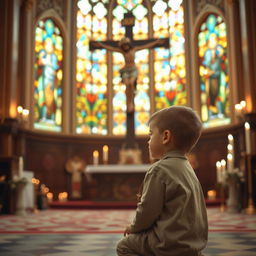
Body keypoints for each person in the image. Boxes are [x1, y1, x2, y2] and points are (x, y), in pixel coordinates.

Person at [116, 106, 208, 256]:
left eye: (151, 135)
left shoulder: (159, 170)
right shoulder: (187, 167)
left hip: (168, 243)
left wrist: (134, 227)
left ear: (166, 137)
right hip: (192, 244)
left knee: (124, 246)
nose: (148, 141)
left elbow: (147, 211)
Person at [91, 37, 165, 113]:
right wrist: (100, 44)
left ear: (128, 45)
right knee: (127, 84)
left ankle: (131, 102)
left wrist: (156, 42)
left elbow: (146, 46)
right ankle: (128, 102)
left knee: (131, 83)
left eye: (126, 45)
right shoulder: (122, 51)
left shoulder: (134, 49)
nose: (125, 47)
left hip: (133, 69)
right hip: (126, 70)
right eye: (123, 46)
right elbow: (110, 48)